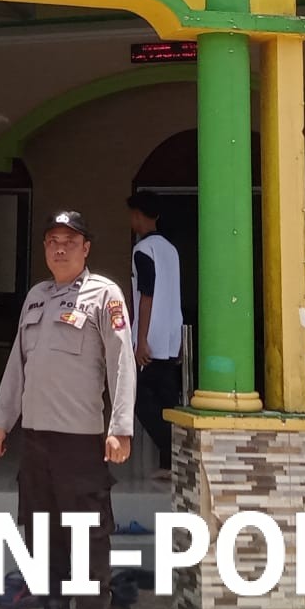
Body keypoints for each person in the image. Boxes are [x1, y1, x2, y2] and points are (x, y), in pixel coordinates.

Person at [0, 211, 136, 609]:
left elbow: (122, 362)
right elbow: (18, 364)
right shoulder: (36, 297)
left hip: (80, 443)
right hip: (36, 441)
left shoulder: (104, 295)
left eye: (69, 241)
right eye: (52, 241)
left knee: (88, 537)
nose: (59, 248)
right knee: (39, 532)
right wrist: (1, 421)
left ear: (86, 247)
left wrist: (121, 426)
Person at [126, 191, 183, 482]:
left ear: (137, 215)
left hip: (152, 340)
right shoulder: (170, 249)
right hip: (172, 338)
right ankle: (171, 462)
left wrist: (142, 339)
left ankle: (173, 451)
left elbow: (146, 295)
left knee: (140, 401)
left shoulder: (143, 250)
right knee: (167, 402)